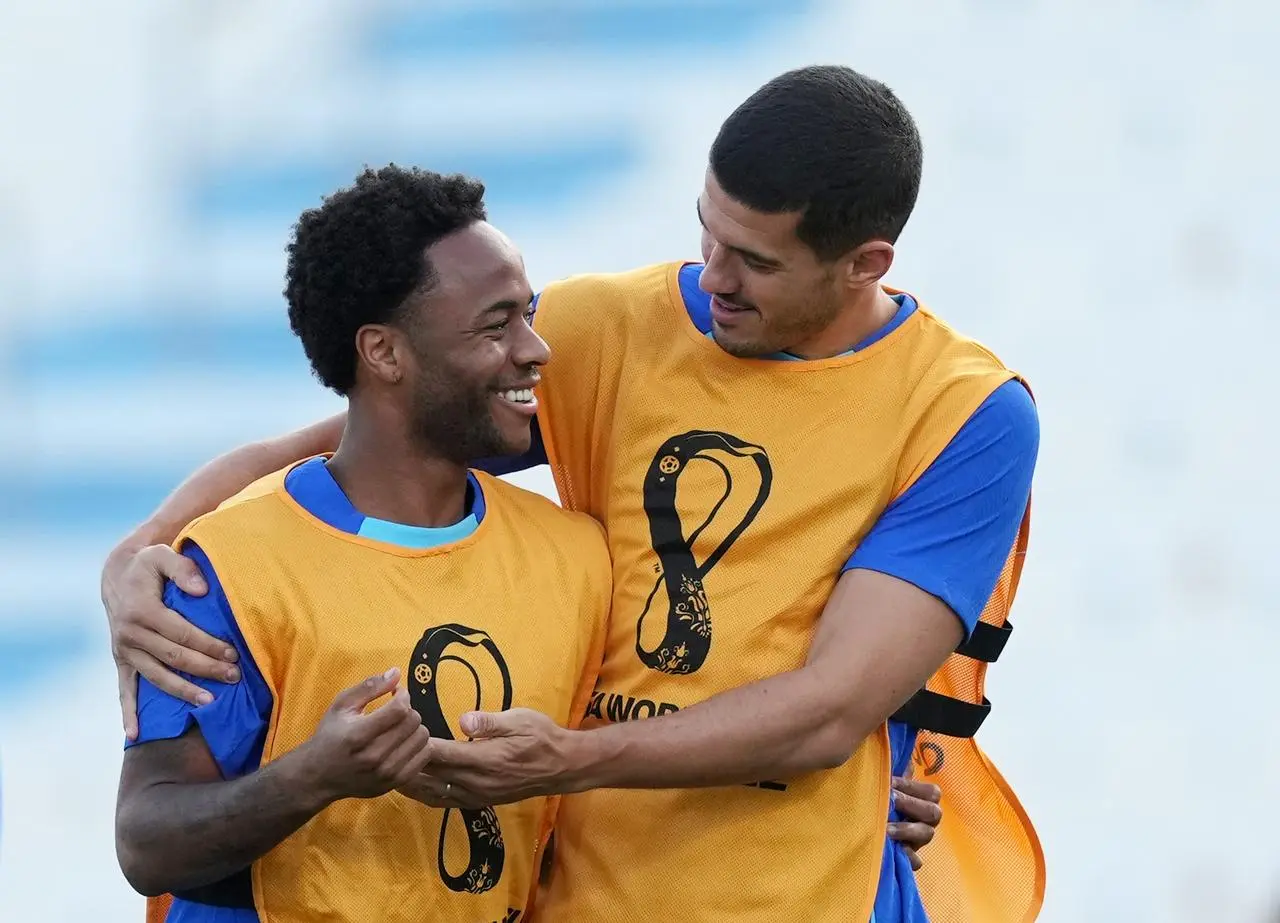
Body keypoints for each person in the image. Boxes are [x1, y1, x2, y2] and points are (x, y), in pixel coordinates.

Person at [104, 67, 1042, 923]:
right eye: (706, 232)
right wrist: (140, 551)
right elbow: (359, 431)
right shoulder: (610, 325)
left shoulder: (966, 413)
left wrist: (569, 757)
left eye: (754, 261)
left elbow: (832, 710)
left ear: (866, 264)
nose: (712, 278)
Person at [114, 166, 612, 923]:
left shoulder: (577, 558)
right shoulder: (227, 567)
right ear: (384, 353)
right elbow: (147, 842)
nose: (537, 348)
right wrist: (313, 775)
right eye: (496, 324)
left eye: (529, 315)